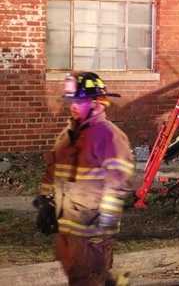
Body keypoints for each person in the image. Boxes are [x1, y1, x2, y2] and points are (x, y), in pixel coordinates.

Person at [36, 72, 135, 286]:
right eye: (72, 101)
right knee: (78, 275)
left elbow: (117, 182)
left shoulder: (109, 135)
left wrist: (105, 225)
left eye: (79, 101)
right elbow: (53, 168)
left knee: (87, 278)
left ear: (97, 103)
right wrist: (45, 200)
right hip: (68, 223)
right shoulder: (67, 134)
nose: (73, 106)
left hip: (92, 228)